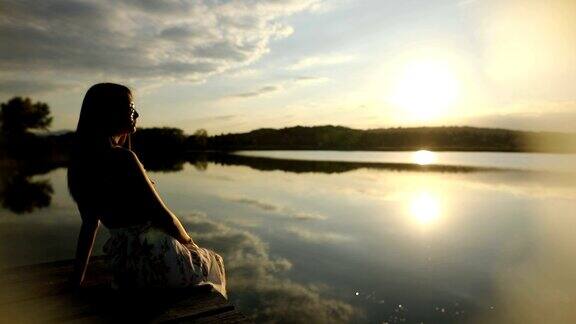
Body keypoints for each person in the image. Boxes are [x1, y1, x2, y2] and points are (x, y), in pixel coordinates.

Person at [67, 83, 226, 297]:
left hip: (124, 267)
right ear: (110, 113)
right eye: (131, 108)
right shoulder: (124, 159)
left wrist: (76, 280)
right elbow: (162, 216)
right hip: (154, 259)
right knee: (214, 260)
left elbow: (89, 226)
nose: (137, 113)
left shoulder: (81, 163)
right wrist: (189, 243)